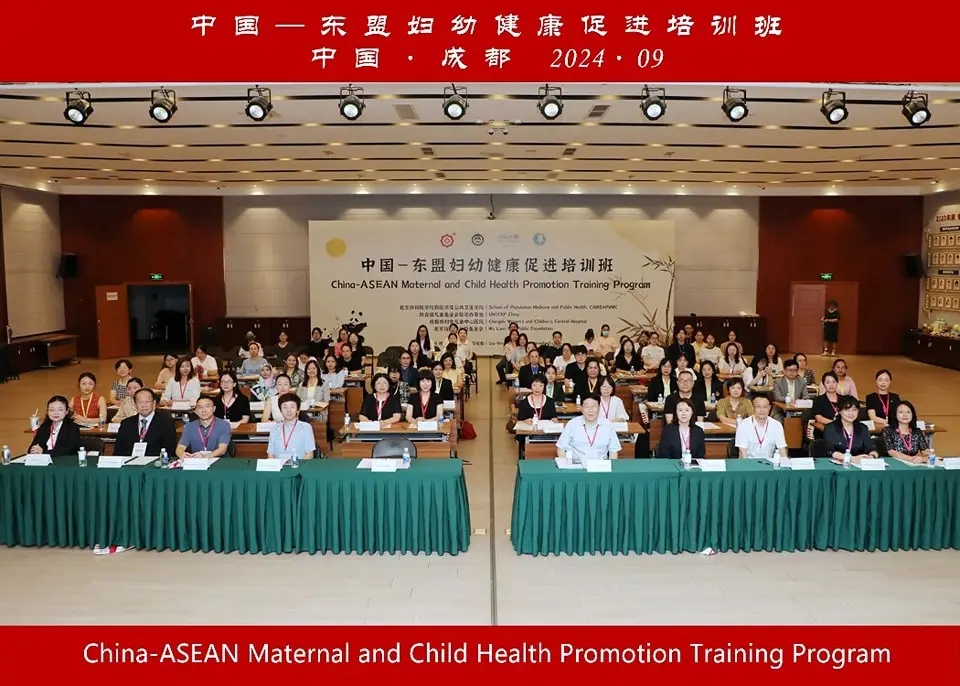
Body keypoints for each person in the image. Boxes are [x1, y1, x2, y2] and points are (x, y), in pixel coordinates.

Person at [555, 394, 621, 460]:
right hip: (578, 464)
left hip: (601, 464)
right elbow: (561, 448)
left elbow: (613, 451)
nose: (590, 410)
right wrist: (565, 464)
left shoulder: (608, 425)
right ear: (581, 408)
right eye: (587, 406)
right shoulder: (572, 424)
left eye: (593, 406)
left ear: (599, 408)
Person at [115, 388, 178, 456]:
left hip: (156, 460)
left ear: (154, 403)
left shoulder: (166, 422)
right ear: (135, 405)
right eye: (140, 402)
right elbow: (118, 451)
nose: (144, 405)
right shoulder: (126, 423)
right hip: (130, 461)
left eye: (147, 402)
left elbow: (170, 448)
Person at [823, 395, 878, 460]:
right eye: (847, 410)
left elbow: (871, 448)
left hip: (860, 464)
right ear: (839, 411)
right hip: (838, 463)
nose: (851, 413)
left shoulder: (863, 428)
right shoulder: (830, 428)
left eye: (854, 410)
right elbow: (829, 451)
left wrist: (872, 456)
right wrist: (851, 458)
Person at [266, 393, 316, 460]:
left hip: (299, 465)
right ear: (280, 410)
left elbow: (310, 454)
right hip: (278, 465)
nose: (289, 410)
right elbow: (270, 454)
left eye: (292, 407)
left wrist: (297, 465)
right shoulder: (274, 429)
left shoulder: (306, 427)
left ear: (297, 409)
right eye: (285, 407)